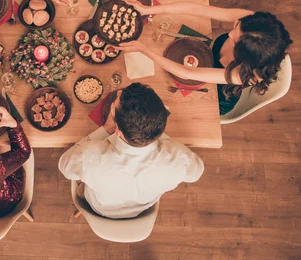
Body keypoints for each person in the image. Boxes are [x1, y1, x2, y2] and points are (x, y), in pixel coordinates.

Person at [119, 0, 293, 115]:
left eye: (235, 40)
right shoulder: (251, 24)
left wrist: (145, 51)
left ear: (245, 56)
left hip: (219, 95)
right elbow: (198, 8)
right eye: (236, 26)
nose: (230, 33)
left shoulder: (241, 74)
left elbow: (187, 73)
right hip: (204, 63)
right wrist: (150, 9)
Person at [58, 83, 204, 219]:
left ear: (118, 130)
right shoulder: (179, 160)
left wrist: (106, 129)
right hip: (141, 209)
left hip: (99, 207)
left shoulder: (89, 156)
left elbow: (65, 167)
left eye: (114, 105)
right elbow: (196, 172)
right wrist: (155, 132)